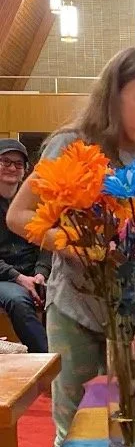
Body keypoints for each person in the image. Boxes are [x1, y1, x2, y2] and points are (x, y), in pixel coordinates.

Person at [6, 47, 135, 447]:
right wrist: (72, 244)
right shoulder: (71, 143)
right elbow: (19, 215)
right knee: (73, 420)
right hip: (74, 307)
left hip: (128, 307)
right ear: (114, 94)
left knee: (129, 415)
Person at [0, 139, 50, 352]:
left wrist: (41, 273)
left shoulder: (35, 201)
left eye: (18, 164)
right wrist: (19, 278)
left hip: (33, 272)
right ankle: (50, 361)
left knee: (65, 294)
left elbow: (47, 242)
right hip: (4, 276)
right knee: (19, 300)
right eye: (5, 161)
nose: (12, 167)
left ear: (25, 171)